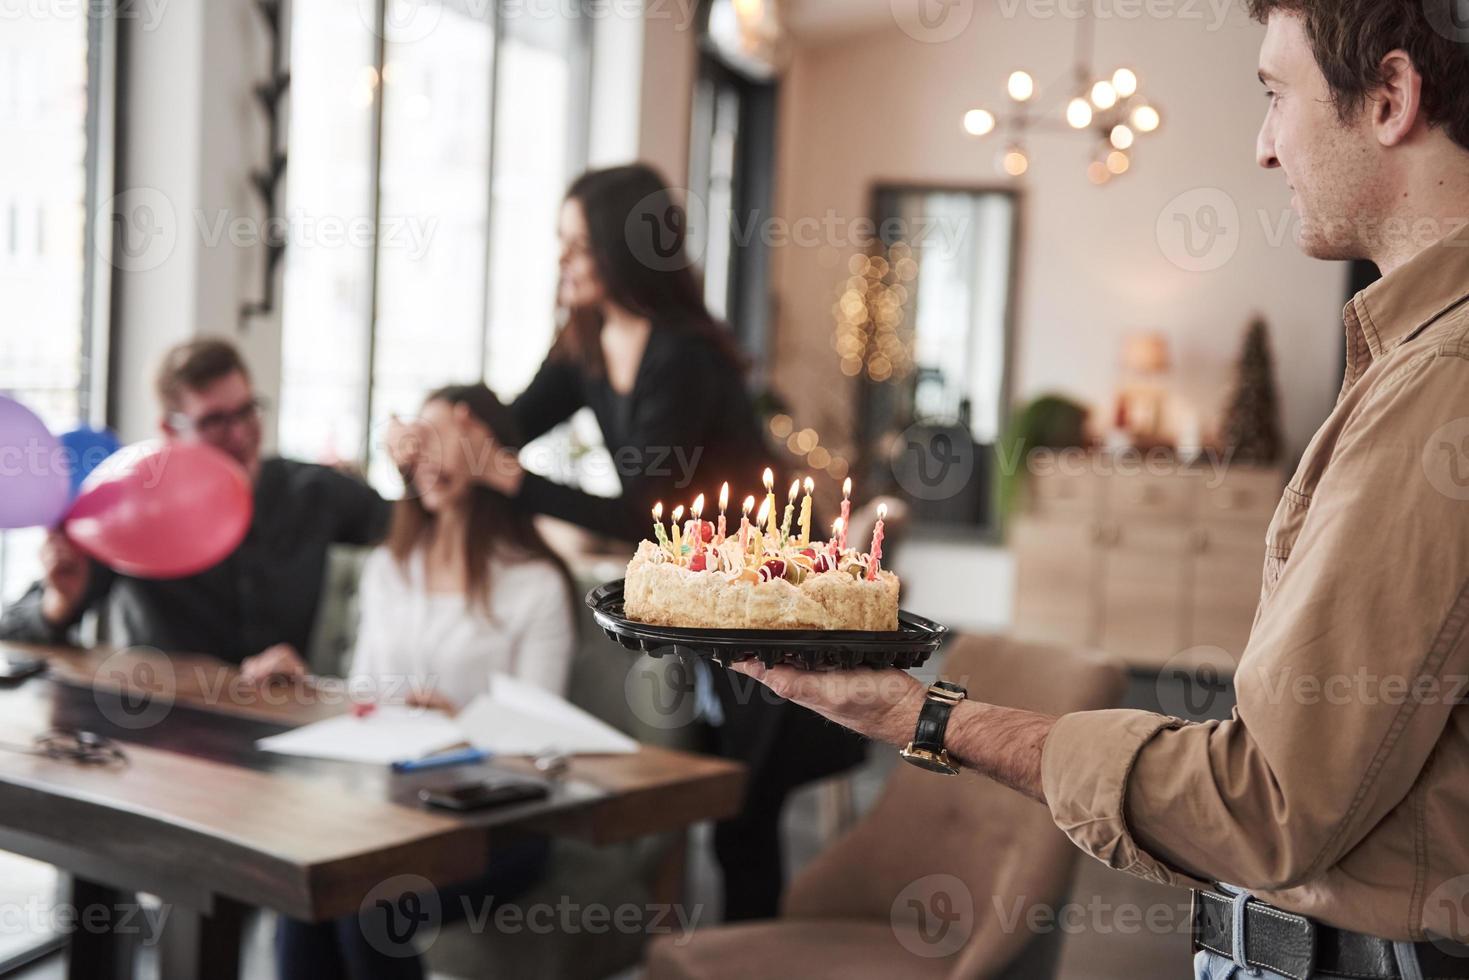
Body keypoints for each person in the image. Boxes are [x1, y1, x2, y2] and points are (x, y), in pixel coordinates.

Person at [734, 4, 1469, 978]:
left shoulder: (1439, 383)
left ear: (1387, 98)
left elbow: (1262, 804)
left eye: (1270, 94)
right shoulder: (1414, 366)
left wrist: (927, 714)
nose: (1260, 146)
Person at [468, 163, 867, 920]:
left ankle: (744, 961)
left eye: (577, 246)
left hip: (774, 591)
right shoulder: (585, 343)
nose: (562, 261)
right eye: (560, 243)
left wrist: (508, 479)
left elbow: (643, 513)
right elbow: (512, 427)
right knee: (708, 790)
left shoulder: (684, 355)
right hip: (703, 590)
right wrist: (445, 430)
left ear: (623, 251)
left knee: (742, 814)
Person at [276, 384, 574, 980]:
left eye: (446, 440)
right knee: (304, 894)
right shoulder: (390, 567)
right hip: (386, 813)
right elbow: (365, 697)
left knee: (368, 907)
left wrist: (461, 727)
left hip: (492, 823)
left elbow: (545, 738)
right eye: (419, 442)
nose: (429, 459)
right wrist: (306, 687)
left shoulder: (536, 582)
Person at [0, 338, 391, 680]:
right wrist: (59, 604)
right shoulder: (129, 509)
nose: (239, 434)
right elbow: (14, 630)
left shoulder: (314, 492)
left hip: (279, 726)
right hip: (159, 734)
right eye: (215, 422)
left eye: (247, 411)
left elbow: (412, 529)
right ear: (170, 430)